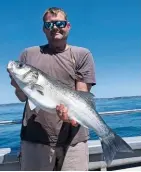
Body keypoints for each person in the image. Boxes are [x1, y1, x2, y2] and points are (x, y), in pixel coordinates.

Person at [8, 7, 96, 171]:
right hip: (35, 139)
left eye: (60, 23)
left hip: (74, 140)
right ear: (43, 29)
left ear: (68, 26)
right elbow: (22, 97)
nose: (55, 28)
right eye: (49, 25)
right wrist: (17, 84)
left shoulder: (82, 54)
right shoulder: (29, 54)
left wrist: (71, 116)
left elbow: (83, 94)